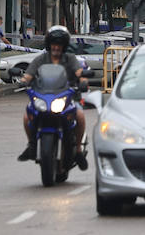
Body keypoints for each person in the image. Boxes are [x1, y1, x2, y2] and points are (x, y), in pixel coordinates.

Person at [17, 25, 90, 167]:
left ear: (64, 46)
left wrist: (83, 81)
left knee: (80, 115)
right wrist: (23, 81)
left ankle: (79, 151)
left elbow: (79, 73)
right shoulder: (41, 59)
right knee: (27, 116)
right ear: (49, 45)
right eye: (54, 44)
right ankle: (31, 145)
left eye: (59, 45)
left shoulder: (70, 59)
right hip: (43, 97)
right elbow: (29, 74)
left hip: (68, 97)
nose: (56, 47)